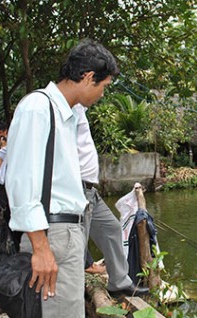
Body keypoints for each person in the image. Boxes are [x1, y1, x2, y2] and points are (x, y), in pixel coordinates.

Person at [5, 39, 119, 318]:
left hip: (66, 233)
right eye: (104, 86)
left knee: (68, 311)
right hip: (51, 234)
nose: (103, 94)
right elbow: (21, 180)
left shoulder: (64, 115)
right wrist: (40, 247)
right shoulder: (38, 108)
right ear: (89, 77)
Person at [75, 104, 149, 296]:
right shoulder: (66, 108)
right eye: (103, 85)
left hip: (91, 191)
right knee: (76, 243)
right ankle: (72, 292)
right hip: (77, 190)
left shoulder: (79, 109)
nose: (102, 94)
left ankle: (118, 283)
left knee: (112, 229)